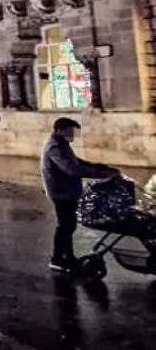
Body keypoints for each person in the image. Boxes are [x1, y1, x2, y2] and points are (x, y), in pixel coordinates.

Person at [41, 117, 117, 272]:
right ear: (60, 130)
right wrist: (100, 174)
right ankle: (57, 259)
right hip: (61, 192)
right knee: (65, 226)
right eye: (70, 130)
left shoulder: (62, 144)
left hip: (67, 191)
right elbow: (71, 169)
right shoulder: (54, 147)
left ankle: (68, 257)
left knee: (68, 226)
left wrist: (100, 167)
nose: (72, 134)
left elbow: (77, 162)